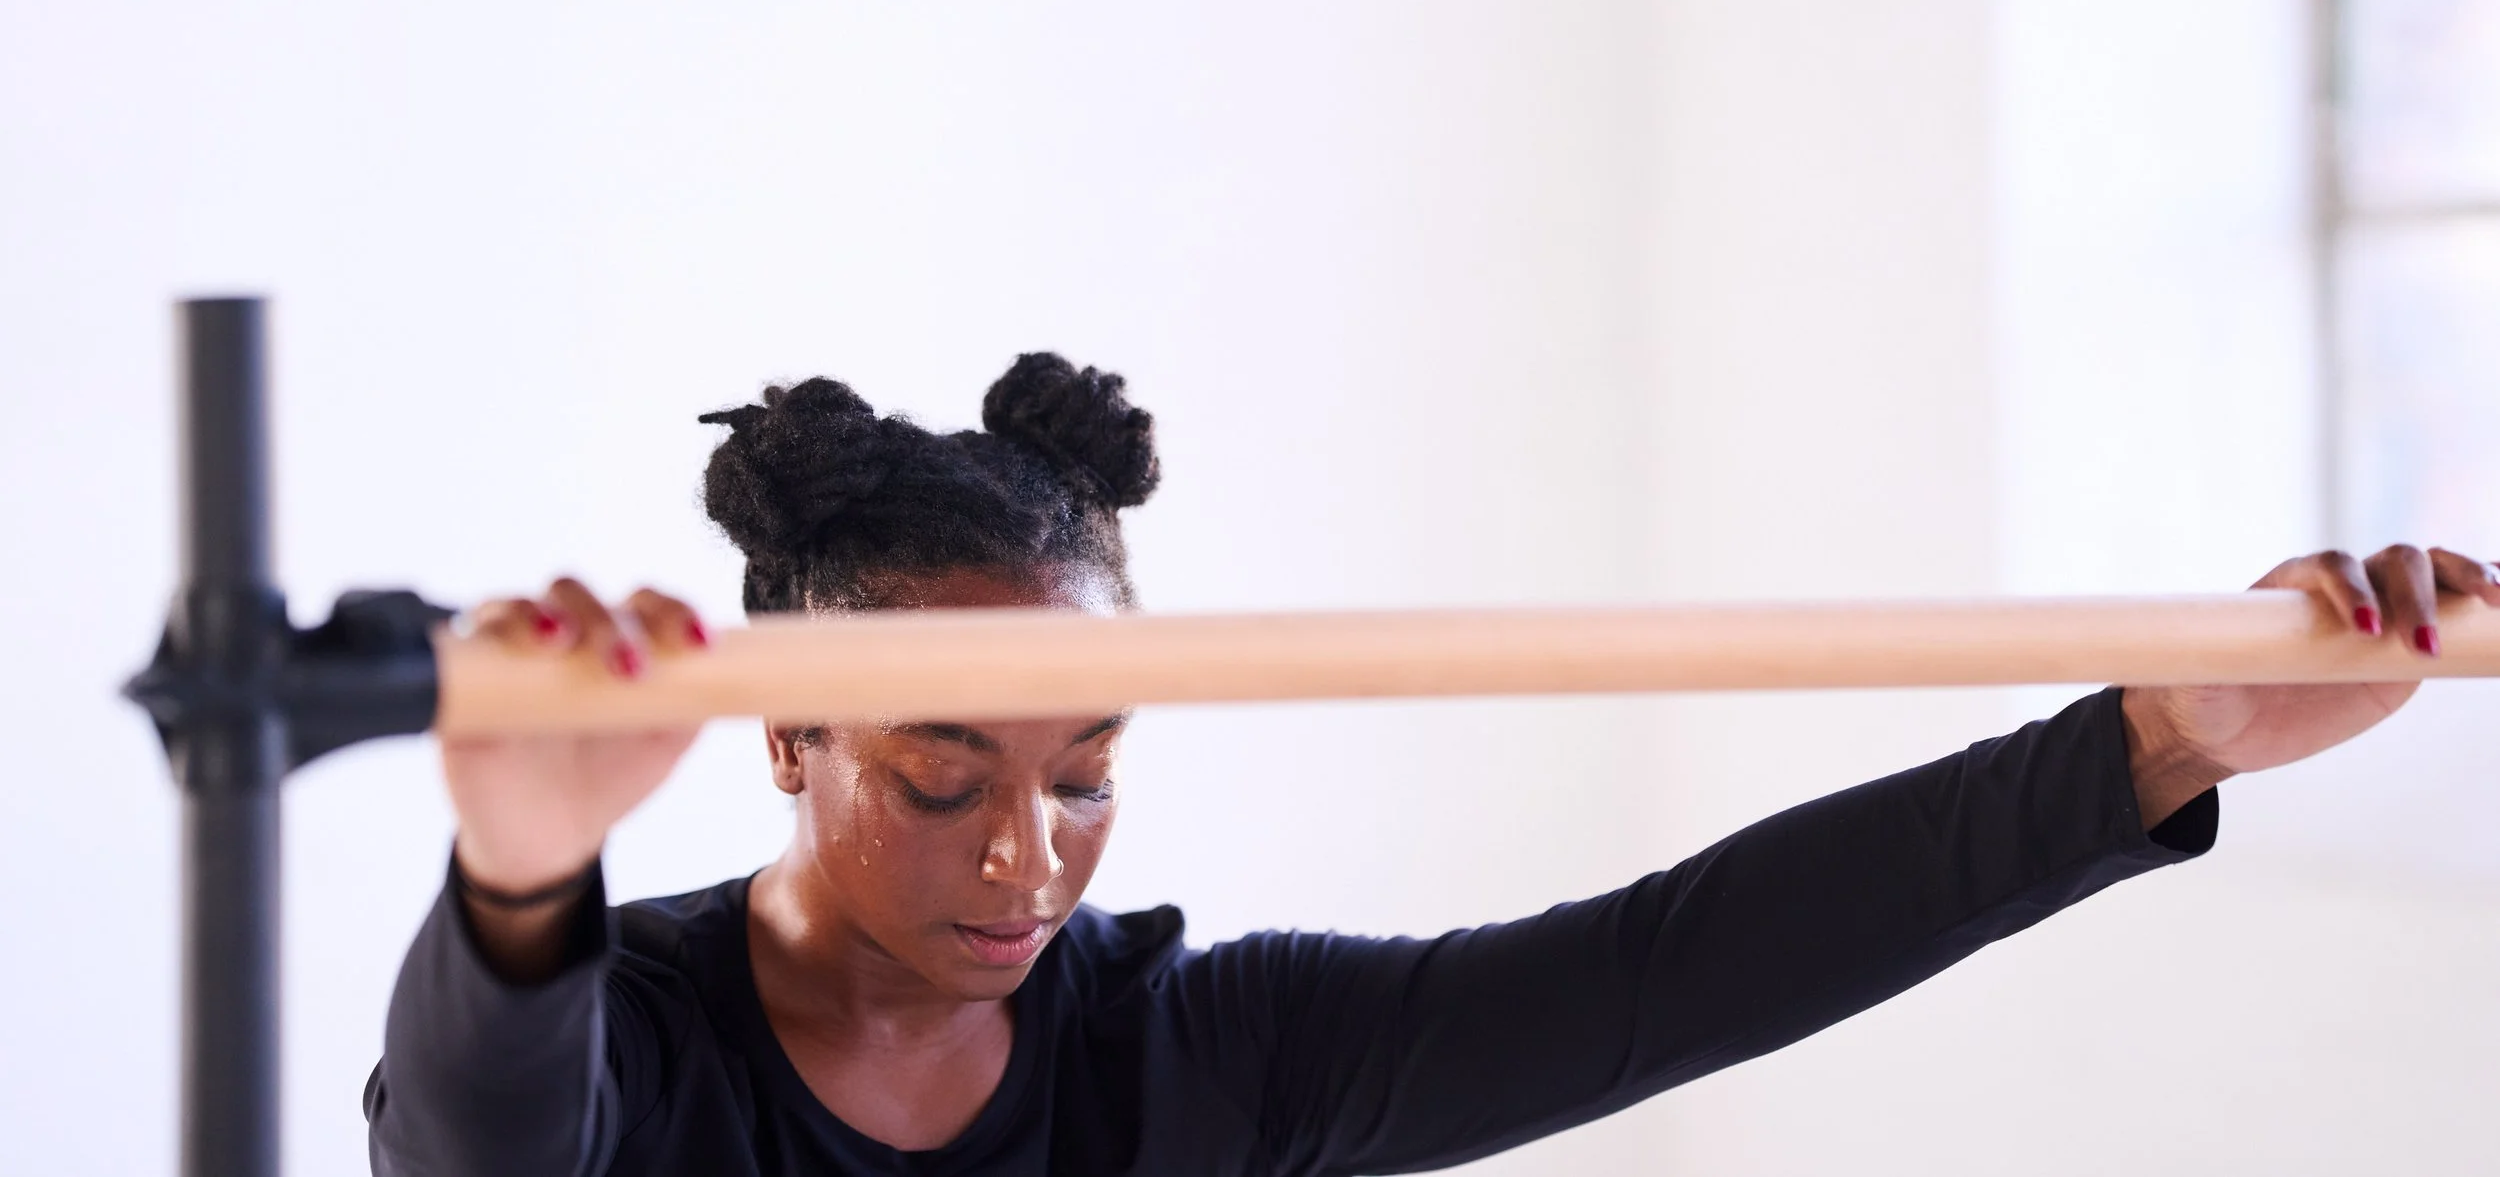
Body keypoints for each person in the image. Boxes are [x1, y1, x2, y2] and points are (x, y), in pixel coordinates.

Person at [365, 352, 2494, 1177]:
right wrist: (519, 867)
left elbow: (1671, 968)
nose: (1029, 856)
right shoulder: (633, 1045)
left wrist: (2152, 741)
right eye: (943, 779)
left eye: (1086, 770)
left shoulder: (1187, 1055)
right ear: (787, 732)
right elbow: (482, 1137)